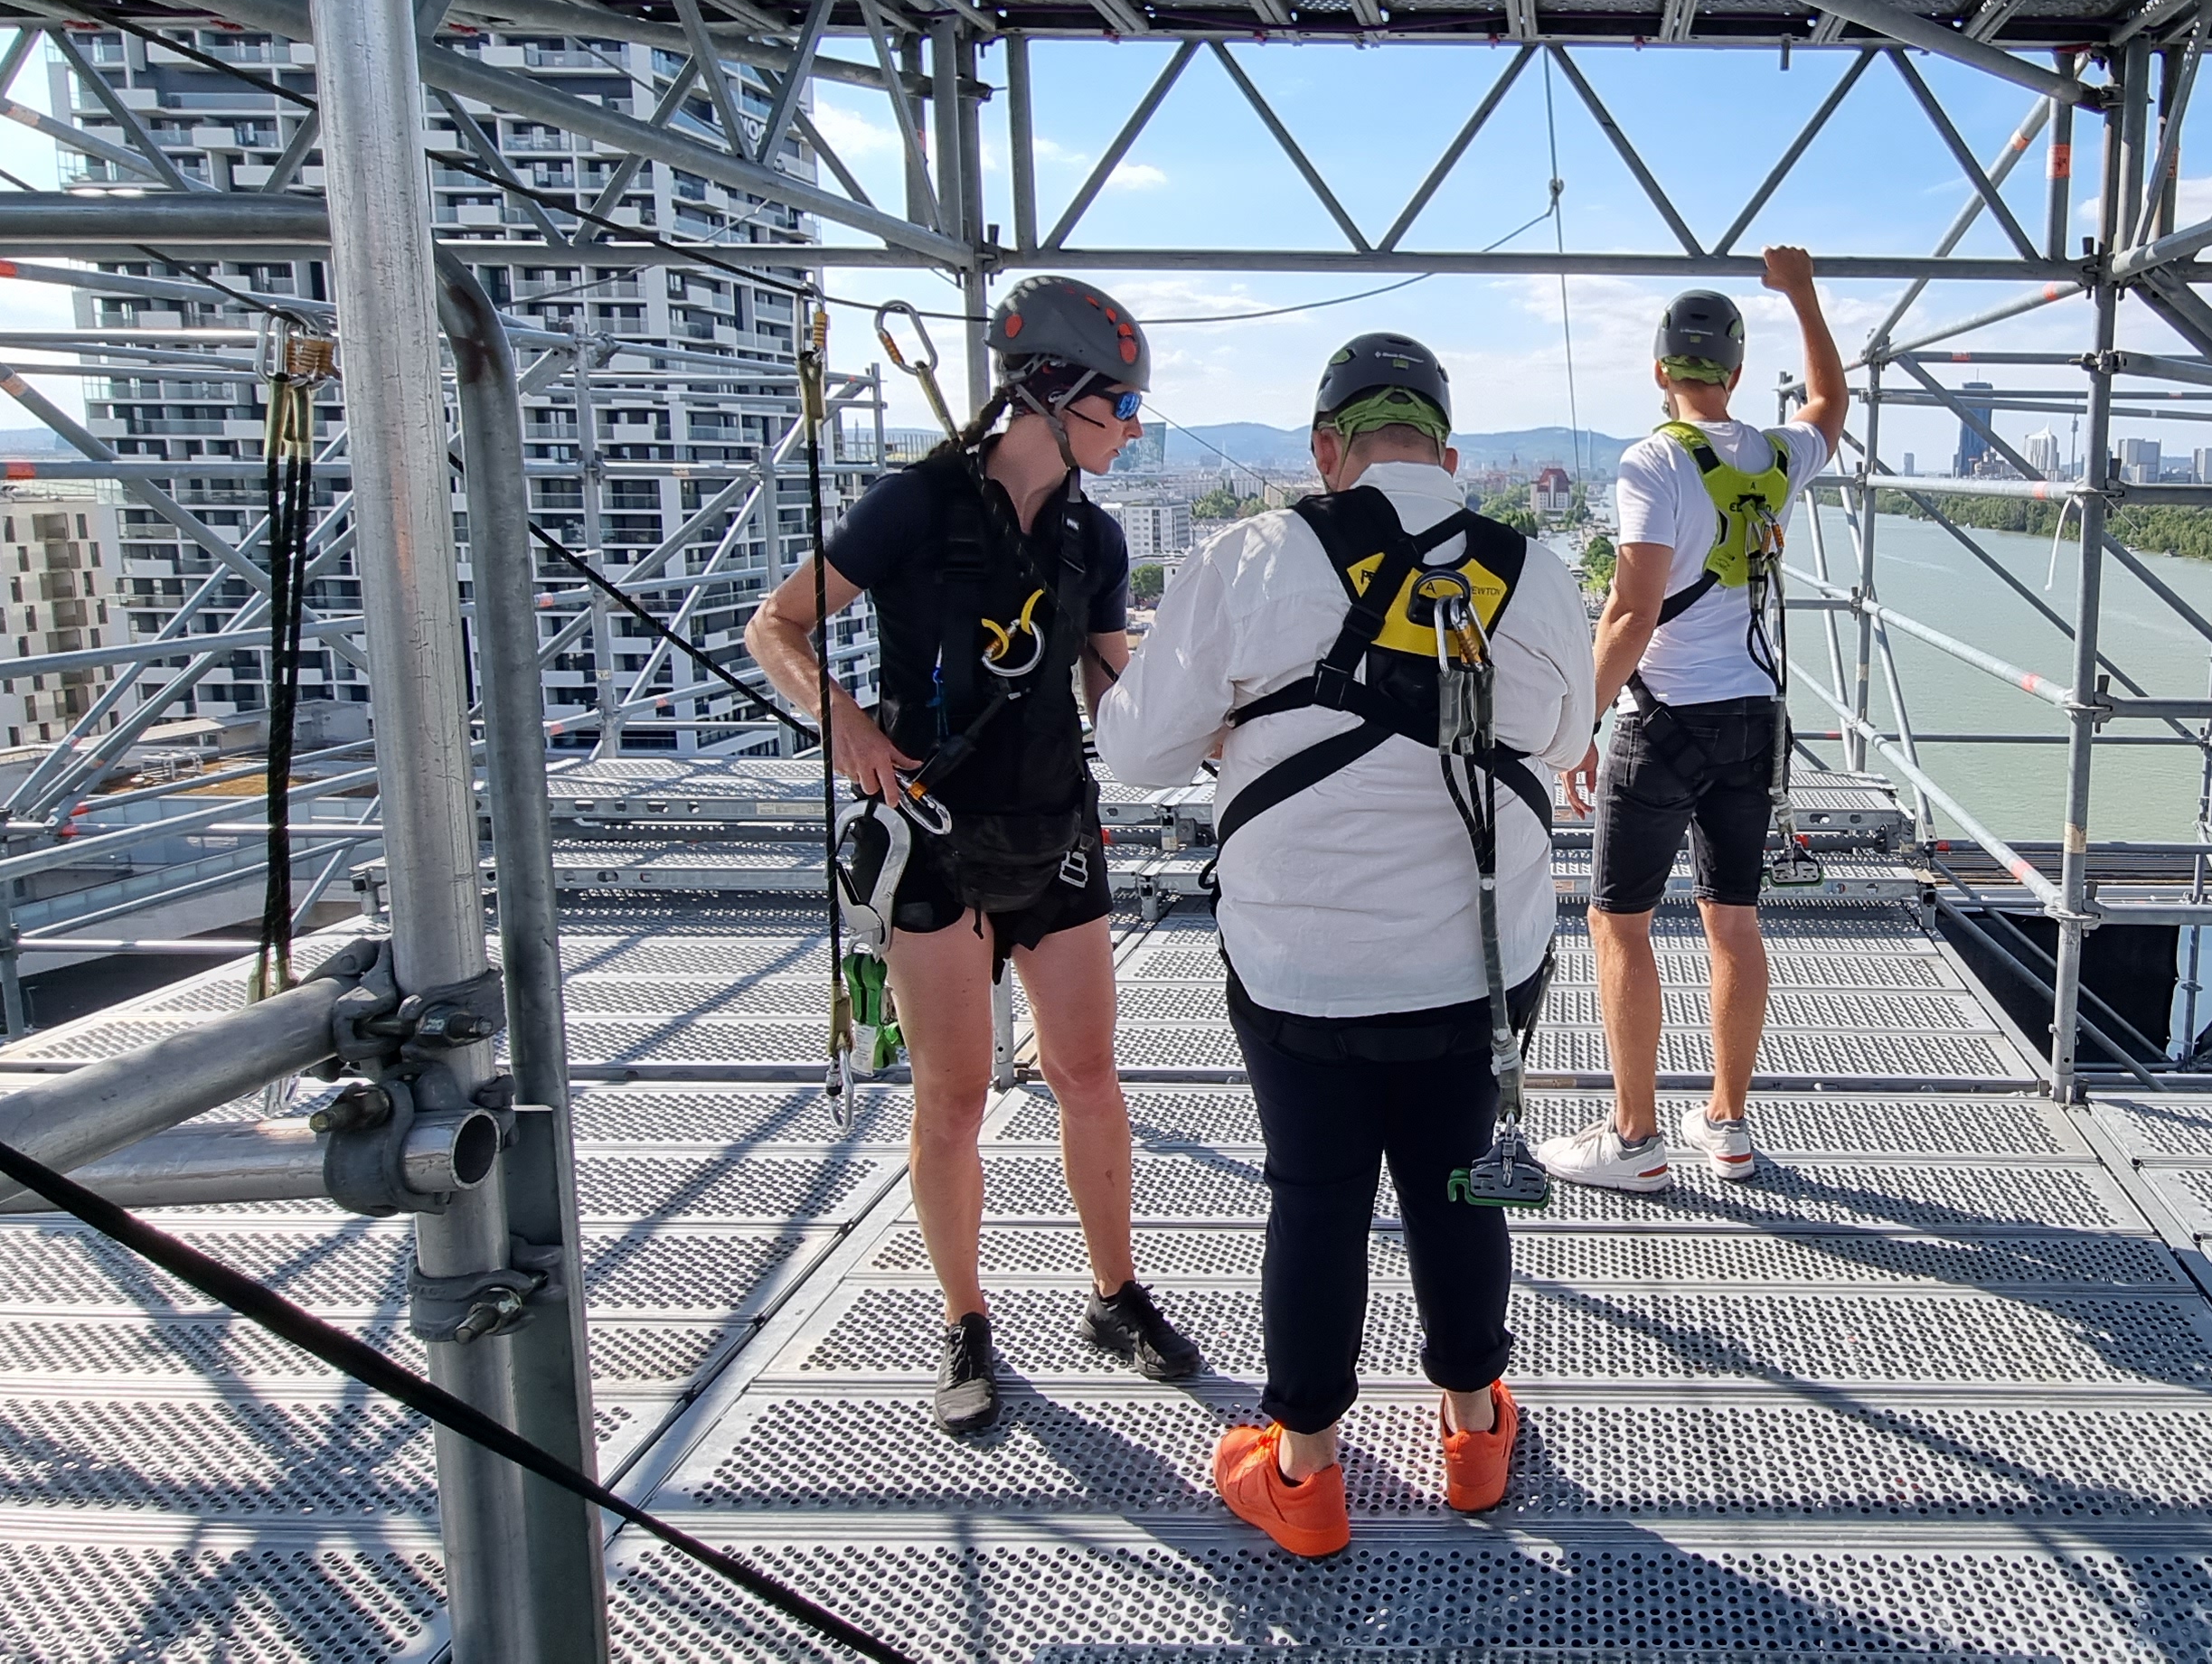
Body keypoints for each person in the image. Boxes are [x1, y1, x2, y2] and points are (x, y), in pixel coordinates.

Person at [1097, 333, 1592, 1556]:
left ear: (1328, 451)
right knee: (1461, 1178)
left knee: (1315, 1196)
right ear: (1450, 453)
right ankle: (1476, 1433)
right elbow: (1569, 728)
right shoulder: (1537, 573)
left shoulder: (1245, 555)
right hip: (1481, 960)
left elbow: (1134, 754)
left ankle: (1305, 1474)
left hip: (1299, 967)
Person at [745, 276, 1200, 1439]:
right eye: (1123, 407)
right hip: (934, 839)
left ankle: (1113, 1297)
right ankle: (964, 1323)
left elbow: (1114, 685)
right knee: (950, 1095)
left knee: (1087, 1078)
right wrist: (841, 722)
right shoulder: (915, 506)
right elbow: (775, 626)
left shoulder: (1091, 536)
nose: (1134, 428)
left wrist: (1223, 728)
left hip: (1053, 831)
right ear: (1053, 396)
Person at [1541, 248, 1848, 1192]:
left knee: (1619, 925)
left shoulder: (1650, 463)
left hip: (1659, 722)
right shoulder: (1772, 455)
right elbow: (1830, 407)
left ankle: (1634, 1140)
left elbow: (1630, 612)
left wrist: (1577, 727)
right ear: (1738, 373)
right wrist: (1802, 296)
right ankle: (1726, 1123)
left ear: (1660, 371)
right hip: (1752, 719)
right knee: (1734, 921)